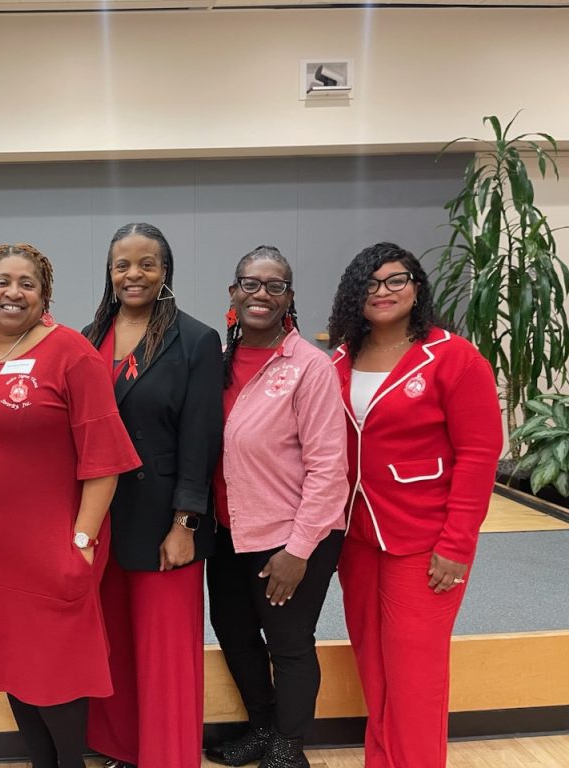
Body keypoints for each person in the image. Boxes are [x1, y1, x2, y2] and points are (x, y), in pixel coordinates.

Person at [0, 243, 140, 768]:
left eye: (27, 283)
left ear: (44, 295)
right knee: (15, 667)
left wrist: (82, 541)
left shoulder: (70, 352)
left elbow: (105, 460)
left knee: (54, 673)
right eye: (2, 281)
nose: (14, 292)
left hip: (51, 547)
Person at [327, 242, 502, 768]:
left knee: (415, 678)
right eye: (370, 284)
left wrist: (457, 545)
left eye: (395, 280)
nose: (383, 292)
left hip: (425, 539)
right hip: (356, 537)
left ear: (417, 287)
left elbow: (479, 454)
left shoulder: (453, 356)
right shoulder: (338, 357)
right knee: (375, 670)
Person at [83, 222, 223, 768]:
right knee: (111, 644)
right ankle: (123, 748)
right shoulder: (86, 337)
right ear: (110, 272)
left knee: (165, 654)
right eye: (123, 264)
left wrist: (185, 523)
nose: (133, 274)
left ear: (165, 271)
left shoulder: (195, 339)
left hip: (166, 521)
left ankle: (168, 756)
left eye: (146, 263)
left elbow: (201, 438)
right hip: (100, 520)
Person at [204, 246, 348, 768]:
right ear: (233, 293)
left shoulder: (309, 366)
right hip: (227, 533)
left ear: (288, 298)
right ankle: (262, 730)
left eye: (274, 286)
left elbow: (330, 469)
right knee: (236, 633)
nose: (260, 294)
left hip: (291, 535)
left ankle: (289, 745)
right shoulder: (214, 363)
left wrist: (300, 549)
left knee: (288, 643)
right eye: (250, 283)